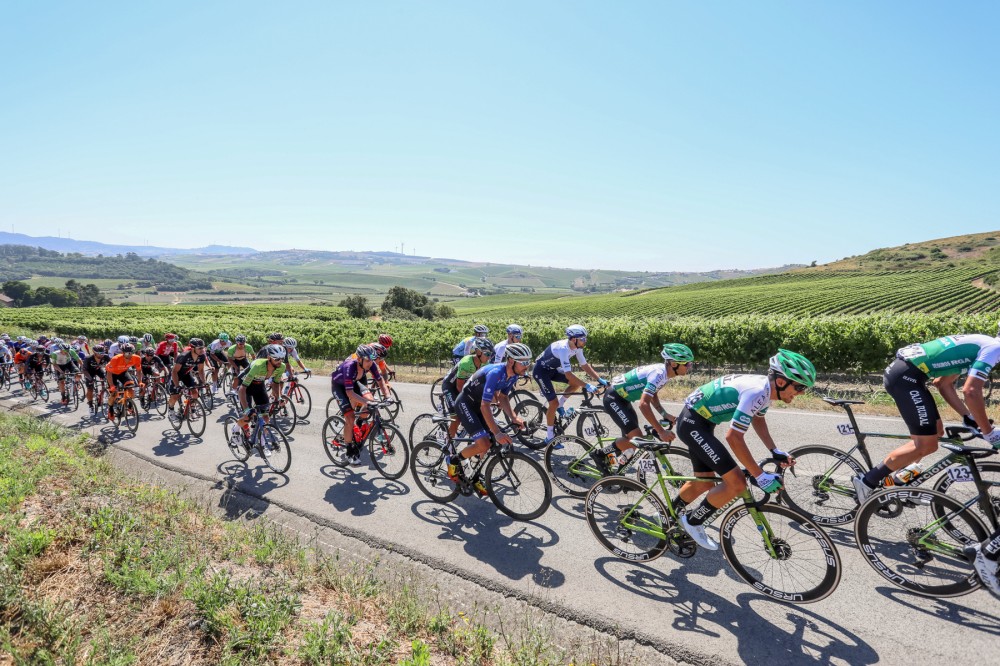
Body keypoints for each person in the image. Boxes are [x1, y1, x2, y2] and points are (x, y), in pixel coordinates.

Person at [675, 349, 815, 550]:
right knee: (737, 483)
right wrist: (759, 476)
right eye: (800, 386)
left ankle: (666, 516)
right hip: (693, 423)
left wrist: (774, 450)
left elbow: (758, 418)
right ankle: (693, 522)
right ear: (782, 381)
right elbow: (733, 436)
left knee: (704, 481)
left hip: (701, 422)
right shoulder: (757, 391)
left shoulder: (766, 391)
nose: (801, 392)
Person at [852, 331, 1000, 503]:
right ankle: (867, 481)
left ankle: (901, 482)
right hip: (905, 378)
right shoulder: (994, 348)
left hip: (908, 376)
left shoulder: (984, 344)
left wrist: (968, 416)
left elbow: (942, 383)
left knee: (935, 432)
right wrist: (988, 431)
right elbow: (971, 392)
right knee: (927, 445)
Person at [591, 343, 695, 473]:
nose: (690, 367)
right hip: (614, 398)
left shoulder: (666, 374)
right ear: (674, 364)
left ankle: (618, 474)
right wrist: (661, 431)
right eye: (687, 364)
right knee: (636, 438)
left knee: (632, 445)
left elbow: (653, 394)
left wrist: (664, 413)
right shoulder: (658, 373)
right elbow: (643, 404)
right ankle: (599, 454)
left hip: (624, 400)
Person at [448, 342, 532, 494]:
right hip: (466, 403)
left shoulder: (513, 375)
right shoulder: (495, 373)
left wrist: (514, 417)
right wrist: (498, 432)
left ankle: (473, 475)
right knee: (484, 442)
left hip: (479, 404)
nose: (527, 366)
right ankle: (454, 459)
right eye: (524, 362)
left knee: (490, 442)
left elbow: (503, 397)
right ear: (511, 361)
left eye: (529, 362)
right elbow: (485, 406)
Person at [532, 325, 608, 443]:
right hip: (541, 372)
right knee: (553, 403)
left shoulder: (578, 347)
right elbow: (568, 375)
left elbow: (584, 365)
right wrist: (587, 386)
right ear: (573, 339)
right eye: (582, 339)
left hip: (553, 369)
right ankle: (550, 437)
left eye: (585, 338)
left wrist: (599, 379)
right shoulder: (563, 348)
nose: (585, 341)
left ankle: (560, 406)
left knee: (575, 384)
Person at [329, 344, 391, 466]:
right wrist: (367, 402)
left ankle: (359, 424)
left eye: (372, 360)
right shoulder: (349, 367)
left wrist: (388, 396)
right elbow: (350, 393)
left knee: (370, 402)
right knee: (350, 417)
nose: (370, 363)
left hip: (355, 382)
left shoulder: (371, 364)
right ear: (359, 359)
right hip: (339, 387)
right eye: (367, 360)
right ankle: (349, 450)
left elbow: (380, 380)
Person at [232, 344, 291, 446]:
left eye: (282, 358)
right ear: (269, 357)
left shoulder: (281, 367)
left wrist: (279, 397)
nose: (280, 361)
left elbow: (275, 383)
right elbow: (242, 389)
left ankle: (263, 445)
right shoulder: (258, 366)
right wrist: (247, 410)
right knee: (248, 418)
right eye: (276, 359)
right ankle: (235, 429)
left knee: (266, 418)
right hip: (246, 386)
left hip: (259, 385)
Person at [442, 337, 495, 440]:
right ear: (478, 351)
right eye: (487, 354)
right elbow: (459, 386)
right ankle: (447, 445)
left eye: (491, 355)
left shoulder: (485, 363)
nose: (489, 358)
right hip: (450, 386)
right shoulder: (466, 362)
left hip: (463, 386)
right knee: (456, 418)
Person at [167, 338, 208, 417]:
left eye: (203, 347)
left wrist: (204, 382)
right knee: (175, 396)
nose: (202, 350)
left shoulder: (202, 356)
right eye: (199, 348)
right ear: (192, 348)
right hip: (176, 375)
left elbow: (201, 370)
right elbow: (174, 372)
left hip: (186, 374)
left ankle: (192, 410)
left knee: (195, 392)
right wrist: (177, 385)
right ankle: (171, 409)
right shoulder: (184, 356)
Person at [105, 343, 144, 417]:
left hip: (123, 372)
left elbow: (139, 370)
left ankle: (129, 405)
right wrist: (112, 385)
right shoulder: (115, 359)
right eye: (126, 353)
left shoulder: (137, 358)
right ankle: (110, 409)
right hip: (112, 374)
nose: (129, 355)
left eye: (131, 353)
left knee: (131, 388)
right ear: (122, 352)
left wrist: (140, 382)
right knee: (114, 394)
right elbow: (109, 373)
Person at [49, 338, 82, 405]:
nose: (67, 352)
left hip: (69, 363)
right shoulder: (55, 354)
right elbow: (54, 365)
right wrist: (61, 372)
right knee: (62, 382)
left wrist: (84, 368)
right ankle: (63, 396)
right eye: (65, 351)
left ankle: (75, 385)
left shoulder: (71, 351)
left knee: (78, 374)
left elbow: (78, 360)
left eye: (67, 351)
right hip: (59, 366)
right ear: (60, 350)